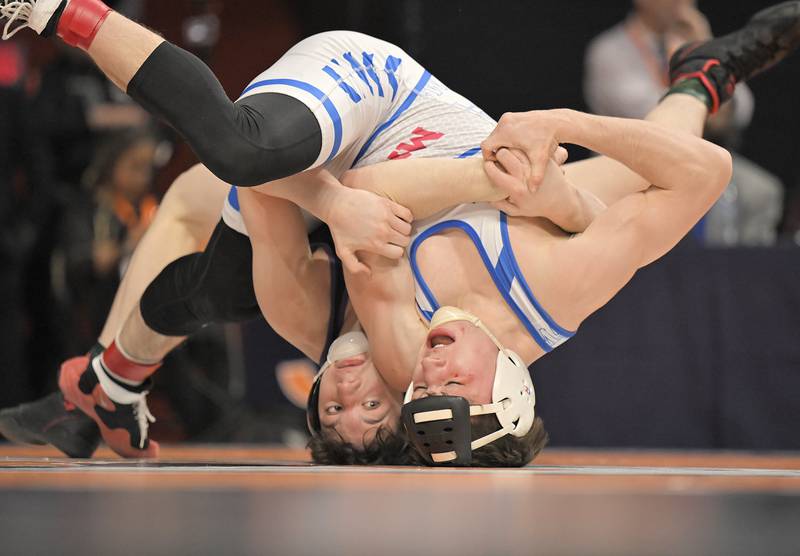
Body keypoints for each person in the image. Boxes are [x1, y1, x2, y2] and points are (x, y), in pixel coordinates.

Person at [584, 0, 783, 246]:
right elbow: (657, 118)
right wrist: (703, 86)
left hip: (695, 153)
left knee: (760, 191)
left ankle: (739, 280)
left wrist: (706, 45)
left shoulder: (695, 39)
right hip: (630, 161)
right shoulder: (609, 50)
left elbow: (740, 110)